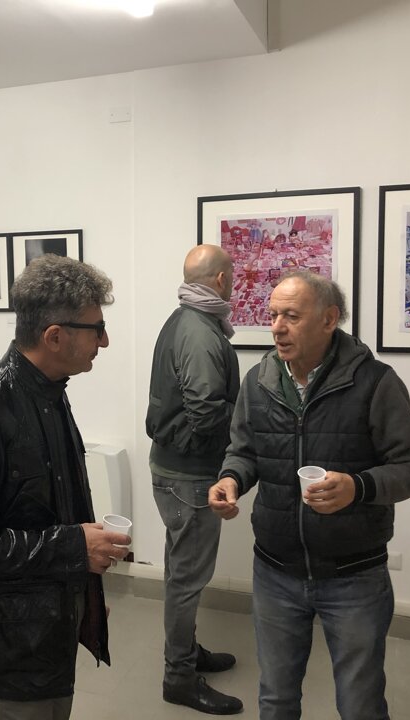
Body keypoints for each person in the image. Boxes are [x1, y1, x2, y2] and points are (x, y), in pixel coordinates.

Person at [208, 270, 410, 720]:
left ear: (329, 319)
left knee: (359, 703)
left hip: (354, 575)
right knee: (276, 699)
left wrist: (358, 487)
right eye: (273, 315)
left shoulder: (375, 382)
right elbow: (244, 451)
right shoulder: (258, 381)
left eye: (291, 316)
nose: (277, 327)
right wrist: (231, 479)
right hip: (275, 570)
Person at [0, 255, 128, 720]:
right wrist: (75, 548)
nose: (104, 341)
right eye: (96, 329)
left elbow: (50, 512)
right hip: (11, 648)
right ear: (55, 336)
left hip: (49, 628)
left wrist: (83, 592)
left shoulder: (50, 394)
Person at [146, 244, 243, 715]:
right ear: (221, 280)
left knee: (180, 573)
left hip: (175, 468)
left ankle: (186, 651)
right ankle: (179, 677)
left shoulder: (184, 318)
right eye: (233, 276)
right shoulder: (201, 331)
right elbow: (206, 413)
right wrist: (250, 420)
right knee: (187, 580)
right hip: (189, 476)